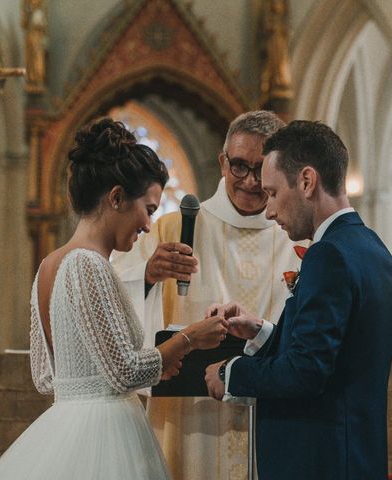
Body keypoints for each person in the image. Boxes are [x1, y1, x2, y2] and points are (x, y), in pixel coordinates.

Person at [0, 118, 228, 480]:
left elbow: (45, 378)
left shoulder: (49, 265)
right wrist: (189, 339)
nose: (148, 224)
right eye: (148, 208)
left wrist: (156, 361)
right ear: (116, 197)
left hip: (66, 425)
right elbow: (125, 372)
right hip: (106, 434)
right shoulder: (89, 264)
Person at [112, 110, 307, 479]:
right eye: (239, 166)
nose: (250, 181)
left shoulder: (296, 238)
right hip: (189, 419)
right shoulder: (173, 228)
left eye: (260, 169)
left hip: (267, 414)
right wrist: (149, 277)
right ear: (222, 162)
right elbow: (114, 302)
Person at [205, 120, 392, 479]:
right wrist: (262, 332)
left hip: (318, 462)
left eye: (273, 193)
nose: (268, 210)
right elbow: (334, 355)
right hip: (355, 456)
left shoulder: (328, 256)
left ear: (307, 182)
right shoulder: (371, 247)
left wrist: (231, 372)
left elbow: (306, 373)